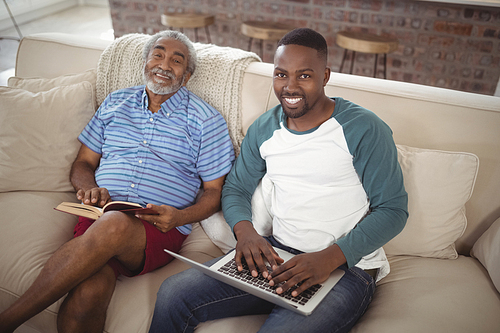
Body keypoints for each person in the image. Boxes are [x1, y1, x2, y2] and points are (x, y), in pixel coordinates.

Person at [148, 28, 408, 333]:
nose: (290, 87)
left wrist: (328, 259)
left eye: (304, 76)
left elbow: (392, 210)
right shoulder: (265, 128)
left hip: (346, 268)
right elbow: (236, 188)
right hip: (277, 255)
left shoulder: (363, 128)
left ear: (325, 76)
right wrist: (245, 233)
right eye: (281, 75)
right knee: (173, 294)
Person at [0, 30, 234, 333]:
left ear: (186, 76)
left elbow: (214, 192)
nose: (165, 65)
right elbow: (83, 163)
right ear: (146, 62)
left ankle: (8, 321)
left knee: (115, 224)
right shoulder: (115, 103)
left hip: (157, 226)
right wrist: (88, 188)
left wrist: (180, 216)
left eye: (177, 61)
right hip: (99, 215)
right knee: (88, 293)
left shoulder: (206, 120)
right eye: (158, 54)